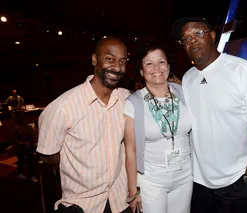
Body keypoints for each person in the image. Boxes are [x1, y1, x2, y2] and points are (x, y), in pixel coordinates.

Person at [172, 17, 247, 213]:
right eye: (186, 39)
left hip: (237, 181)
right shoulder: (188, 78)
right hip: (199, 182)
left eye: (198, 33)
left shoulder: (242, 70)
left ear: (213, 36)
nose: (192, 41)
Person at [36, 37, 131, 213]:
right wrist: (77, 167)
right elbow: (47, 154)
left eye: (122, 61)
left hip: (120, 201)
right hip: (82, 204)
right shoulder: (62, 108)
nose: (117, 67)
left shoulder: (126, 98)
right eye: (110, 59)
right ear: (94, 59)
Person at [124, 40, 193, 213]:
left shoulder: (183, 93)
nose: (156, 68)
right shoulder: (134, 103)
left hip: (185, 175)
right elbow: (130, 149)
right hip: (151, 180)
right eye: (149, 63)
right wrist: (133, 190)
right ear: (141, 70)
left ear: (168, 66)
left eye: (161, 62)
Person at [12, 111, 38, 183]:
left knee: (31, 162)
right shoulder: (15, 128)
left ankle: (32, 176)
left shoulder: (29, 127)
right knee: (21, 161)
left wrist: (32, 142)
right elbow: (14, 139)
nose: (25, 120)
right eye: (23, 118)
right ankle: (19, 173)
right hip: (20, 148)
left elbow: (32, 136)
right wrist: (22, 143)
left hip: (29, 146)